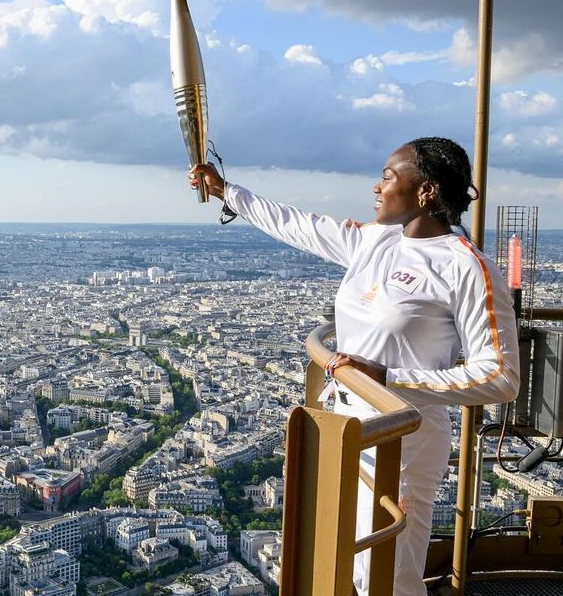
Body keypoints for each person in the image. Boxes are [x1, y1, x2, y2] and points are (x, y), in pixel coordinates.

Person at [190, 136, 519, 596]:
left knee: (386, 572)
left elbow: (500, 377)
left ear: (424, 191)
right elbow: (300, 225)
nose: (376, 187)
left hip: (403, 435)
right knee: (349, 562)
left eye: (388, 176)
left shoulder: (466, 266)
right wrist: (228, 192)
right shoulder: (376, 241)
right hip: (346, 425)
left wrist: (391, 378)